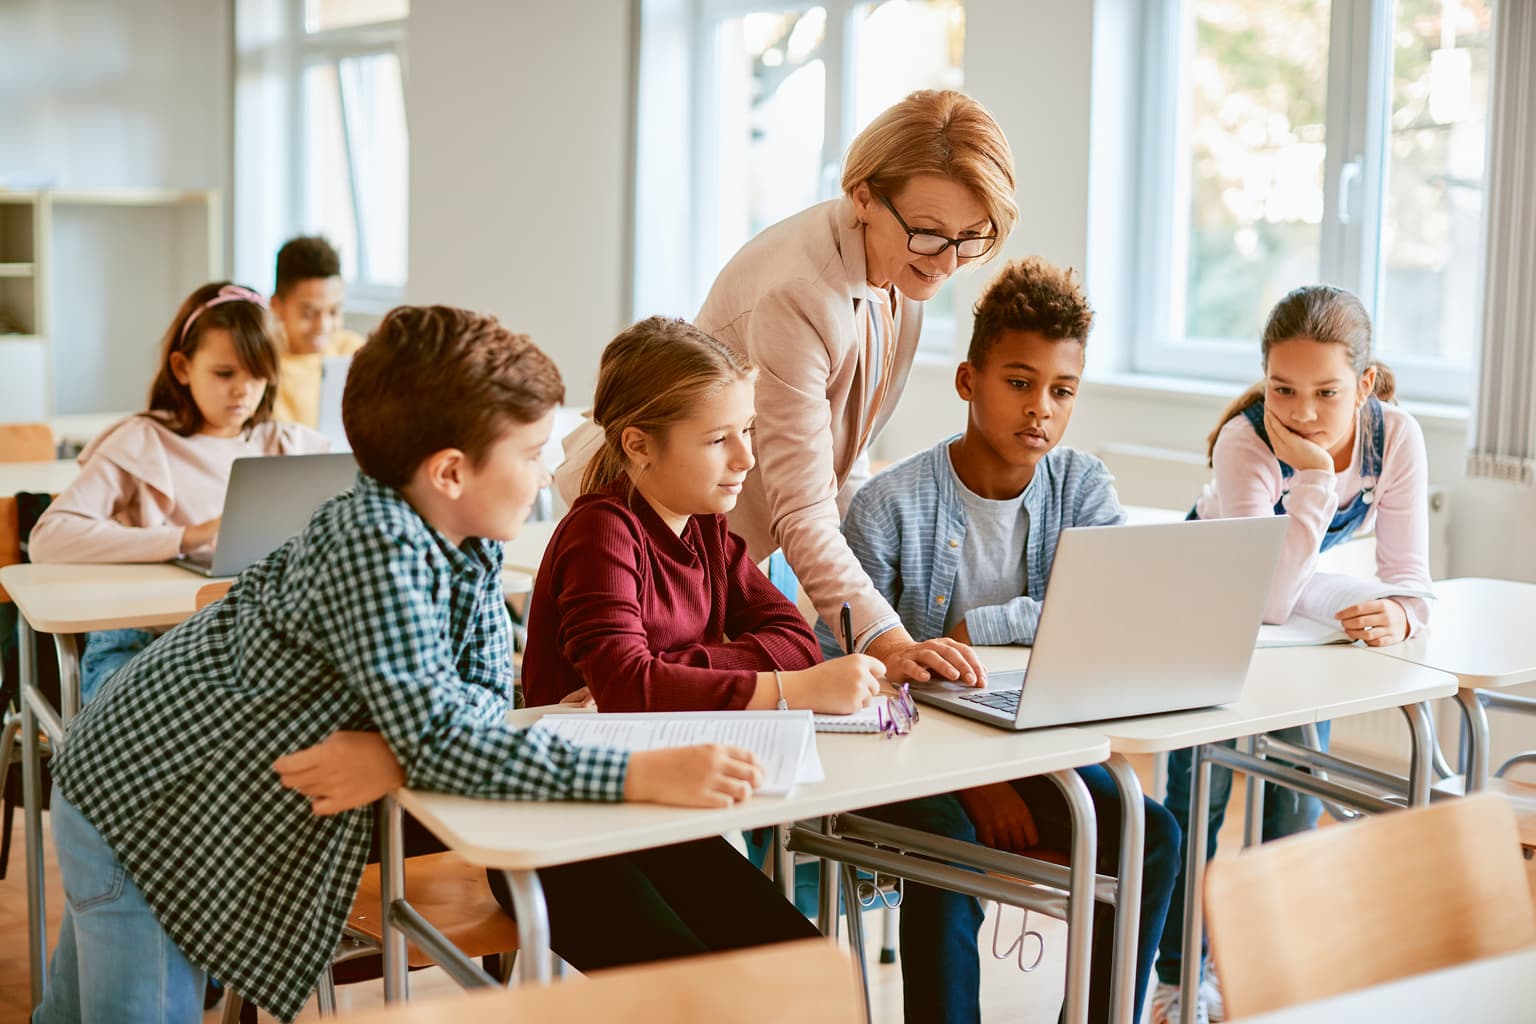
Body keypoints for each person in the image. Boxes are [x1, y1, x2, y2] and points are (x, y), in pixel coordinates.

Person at [32, 305, 794, 1024]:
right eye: (530, 455)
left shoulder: (469, 541)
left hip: (195, 791)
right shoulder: (376, 541)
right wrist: (638, 774)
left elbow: (484, 707)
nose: (543, 479)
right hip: (149, 803)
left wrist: (402, 754)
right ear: (451, 472)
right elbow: (447, 736)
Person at [558, 89, 1016, 690]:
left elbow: (838, 468)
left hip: (716, 545)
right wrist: (886, 636)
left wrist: (885, 617)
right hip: (649, 528)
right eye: (930, 233)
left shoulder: (906, 272)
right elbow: (802, 504)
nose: (948, 261)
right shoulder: (801, 292)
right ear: (864, 198)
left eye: (972, 236)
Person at [836, 257, 1182, 1024]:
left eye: (1062, 392)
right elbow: (858, 675)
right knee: (950, 851)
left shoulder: (1083, 487)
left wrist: (974, 630)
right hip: (910, 765)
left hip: (1036, 750)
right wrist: (974, 781)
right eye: (1019, 383)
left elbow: (1106, 611)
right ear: (968, 381)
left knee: (1153, 834)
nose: (1041, 410)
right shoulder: (886, 508)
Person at [1149, 284, 1432, 1024]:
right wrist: (1311, 475)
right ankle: (1181, 980)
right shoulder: (1246, 441)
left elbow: (1411, 580)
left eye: (1327, 392)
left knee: (1296, 789)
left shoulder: (1395, 437)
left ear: (1365, 385)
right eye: (1283, 389)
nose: (1301, 412)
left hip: (1288, 589)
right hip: (1212, 592)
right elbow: (1259, 601)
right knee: (1198, 798)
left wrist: (1400, 617)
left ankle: (1274, 977)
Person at [29, 281, 329, 704]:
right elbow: (48, 540)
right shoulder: (140, 441)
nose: (243, 390)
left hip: (246, 645)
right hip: (143, 644)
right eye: (224, 373)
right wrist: (187, 537)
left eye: (258, 374)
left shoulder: (290, 445)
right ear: (183, 367)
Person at [268, 235, 367, 427]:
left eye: (334, 311)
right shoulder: (263, 365)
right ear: (277, 306)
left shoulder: (355, 352)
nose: (323, 325)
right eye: (309, 313)